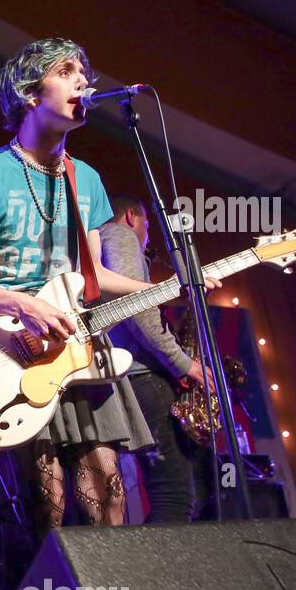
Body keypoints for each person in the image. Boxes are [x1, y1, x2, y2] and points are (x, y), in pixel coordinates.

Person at [0, 37, 219, 535]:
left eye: (85, 73)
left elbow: (95, 277)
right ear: (30, 92)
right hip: (12, 352)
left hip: (80, 349)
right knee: (49, 509)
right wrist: (21, 303)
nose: (83, 81)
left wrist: (173, 288)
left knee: (108, 498)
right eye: (66, 71)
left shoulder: (85, 178)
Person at [99, 193, 216, 522]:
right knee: (174, 496)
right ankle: (159, 573)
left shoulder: (94, 244)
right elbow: (137, 310)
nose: (146, 236)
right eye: (147, 226)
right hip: (142, 377)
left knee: (178, 494)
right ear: (133, 216)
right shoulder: (118, 234)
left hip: (126, 377)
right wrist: (184, 363)